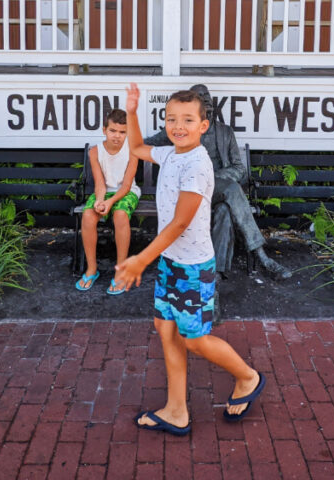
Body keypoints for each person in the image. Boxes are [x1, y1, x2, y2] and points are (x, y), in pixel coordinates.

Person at [113, 84, 266, 435]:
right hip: (170, 262)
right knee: (166, 331)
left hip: (193, 268)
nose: (177, 126)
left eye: (187, 120)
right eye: (171, 119)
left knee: (195, 340)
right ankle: (176, 410)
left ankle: (248, 377)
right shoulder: (171, 154)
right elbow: (136, 147)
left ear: (203, 125)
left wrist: (140, 260)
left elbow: (181, 222)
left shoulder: (197, 165)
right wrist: (132, 112)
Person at [146, 84, 292, 281]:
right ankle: (262, 256)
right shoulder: (181, 128)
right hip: (190, 192)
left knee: (224, 209)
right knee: (231, 190)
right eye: (202, 99)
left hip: (216, 188)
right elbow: (147, 144)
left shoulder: (225, 132)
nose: (207, 102)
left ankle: (216, 273)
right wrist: (120, 141)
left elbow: (240, 169)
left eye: (209, 98)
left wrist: (213, 177)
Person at [75, 108, 140, 295]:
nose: (117, 136)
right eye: (113, 131)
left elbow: (127, 185)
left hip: (126, 193)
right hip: (105, 192)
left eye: (122, 132)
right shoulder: (95, 152)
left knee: (120, 215)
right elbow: (100, 184)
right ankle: (91, 269)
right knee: (88, 216)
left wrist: (110, 204)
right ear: (104, 130)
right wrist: (100, 201)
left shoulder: (133, 150)